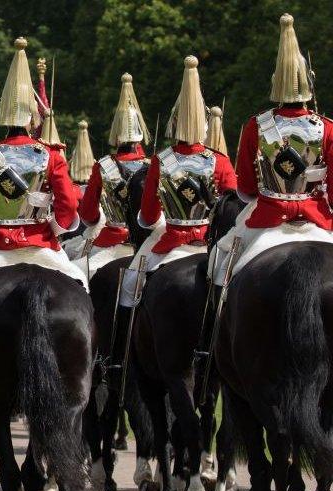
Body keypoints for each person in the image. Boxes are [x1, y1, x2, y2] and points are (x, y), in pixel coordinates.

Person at [209, 13, 333, 286]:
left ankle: (215, 326)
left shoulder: (256, 126)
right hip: (317, 216)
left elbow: (246, 190)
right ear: (309, 84)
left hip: (267, 216)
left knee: (219, 265)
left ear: (275, 82)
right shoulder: (327, 127)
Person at [0, 38, 86, 290]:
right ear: (33, 115)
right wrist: (54, 227)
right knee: (81, 284)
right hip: (42, 243)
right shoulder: (50, 154)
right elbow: (68, 204)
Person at [117, 55, 236, 315]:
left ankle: (121, 354)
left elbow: (148, 217)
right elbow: (232, 211)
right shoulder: (220, 160)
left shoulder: (162, 160)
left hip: (169, 239)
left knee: (128, 289)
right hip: (210, 241)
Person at [71, 73, 153, 279]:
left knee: (80, 276)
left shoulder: (103, 166)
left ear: (116, 135)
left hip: (110, 241)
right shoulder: (152, 166)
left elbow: (89, 214)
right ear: (140, 136)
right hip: (144, 240)